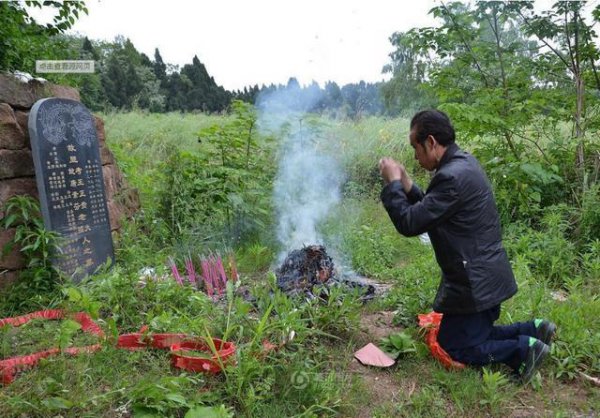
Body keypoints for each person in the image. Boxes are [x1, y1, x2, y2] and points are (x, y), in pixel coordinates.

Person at [378, 109, 556, 382]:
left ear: (431, 142)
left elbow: (410, 223)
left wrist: (392, 186)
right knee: (474, 335)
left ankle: (522, 350)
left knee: (456, 346)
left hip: (475, 282)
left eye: (415, 147)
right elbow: (432, 208)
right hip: (484, 275)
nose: (415, 155)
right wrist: (406, 184)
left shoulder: (451, 176)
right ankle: (534, 330)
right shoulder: (463, 164)